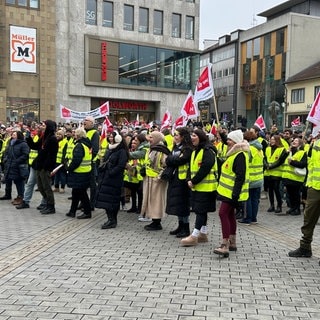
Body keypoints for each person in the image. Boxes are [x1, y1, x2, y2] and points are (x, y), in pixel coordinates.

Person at [214, 129, 250, 257]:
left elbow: (240, 176)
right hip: (228, 191)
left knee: (223, 213)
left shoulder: (240, 155)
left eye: (230, 140)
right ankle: (232, 242)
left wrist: (235, 194)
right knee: (229, 215)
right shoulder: (235, 153)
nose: (227, 142)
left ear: (235, 141)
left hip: (232, 193)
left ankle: (225, 245)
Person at [180, 129, 218, 246]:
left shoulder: (208, 151)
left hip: (207, 187)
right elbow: (191, 168)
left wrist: (194, 180)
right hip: (198, 187)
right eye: (191, 135)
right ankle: (203, 233)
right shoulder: (196, 150)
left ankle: (195, 235)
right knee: (201, 210)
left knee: (200, 211)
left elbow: (205, 168)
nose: (192, 138)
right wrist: (189, 179)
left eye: (194, 135)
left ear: (201, 137)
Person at [288, 132, 320, 258]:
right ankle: (305, 247)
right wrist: (309, 185)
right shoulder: (315, 143)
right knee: (308, 219)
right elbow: (311, 165)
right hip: (314, 187)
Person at [95, 132, 129, 229]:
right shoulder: (109, 149)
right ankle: (110, 219)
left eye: (112, 137)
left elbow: (121, 165)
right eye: (109, 137)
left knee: (112, 200)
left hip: (114, 179)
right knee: (106, 200)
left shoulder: (121, 151)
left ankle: (113, 220)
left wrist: (111, 172)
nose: (110, 138)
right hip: (105, 178)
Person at [26, 120, 58, 214]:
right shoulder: (44, 137)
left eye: (43, 125)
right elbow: (35, 146)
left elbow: (52, 155)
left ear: (48, 126)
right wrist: (29, 138)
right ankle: (46, 203)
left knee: (47, 187)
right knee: (40, 187)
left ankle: (51, 206)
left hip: (46, 167)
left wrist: (47, 167)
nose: (41, 126)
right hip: (39, 166)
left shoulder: (52, 138)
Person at [166, 127, 193, 238]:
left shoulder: (188, 148)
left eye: (177, 135)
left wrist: (170, 159)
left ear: (183, 136)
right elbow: (170, 159)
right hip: (175, 178)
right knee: (177, 204)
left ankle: (186, 228)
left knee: (183, 204)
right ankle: (180, 225)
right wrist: (171, 159)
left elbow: (181, 160)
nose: (174, 137)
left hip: (183, 180)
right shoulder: (176, 147)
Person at [140, 131, 170, 231]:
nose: (149, 139)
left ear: (157, 138)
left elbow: (166, 165)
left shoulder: (162, 150)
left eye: (152, 138)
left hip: (157, 180)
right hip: (149, 178)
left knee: (156, 201)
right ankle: (154, 220)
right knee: (150, 200)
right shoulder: (151, 149)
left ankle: (157, 222)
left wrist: (159, 177)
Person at [65, 127, 92, 219]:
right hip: (84, 172)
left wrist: (69, 168)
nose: (73, 134)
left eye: (75, 133)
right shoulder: (86, 144)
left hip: (79, 172)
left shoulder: (80, 146)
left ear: (78, 135)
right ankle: (72, 211)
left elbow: (77, 160)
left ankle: (87, 212)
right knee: (76, 193)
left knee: (82, 194)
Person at [239, 130, 264, 225]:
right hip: (259, 178)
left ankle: (247, 218)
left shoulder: (249, 149)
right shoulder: (259, 149)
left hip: (250, 179)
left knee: (247, 199)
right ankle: (254, 218)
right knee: (255, 199)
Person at [0, 130, 29, 205]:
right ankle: (7, 194)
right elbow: (6, 152)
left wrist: (17, 161)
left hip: (18, 166)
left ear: (19, 136)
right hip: (9, 165)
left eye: (14, 135)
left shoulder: (23, 144)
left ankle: (20, 197)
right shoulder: (10, 143)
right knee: (8, 179)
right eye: (12, 134)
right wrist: (5, 160)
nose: (12, 136)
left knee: (19, 182)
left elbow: (25, 154)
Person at [282, 137, 307, 216]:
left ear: (300, 143)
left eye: (296, 141)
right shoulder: (289, 151)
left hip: (296, 178)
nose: (294, 142)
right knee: (290, 194)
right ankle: (292, 208)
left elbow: (303, 164)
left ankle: (297, 209)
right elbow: (281, 160)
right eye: (293, 140)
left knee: (296, 194)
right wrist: (286, 152)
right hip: (288, 177)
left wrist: (292, 162)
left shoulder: (302, 153)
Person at [264, 135, 287, 213]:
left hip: (276, 173)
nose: (271, 141)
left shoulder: (282, 149)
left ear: (277, 140)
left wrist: (271, 166)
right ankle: (272, 205)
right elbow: (264, 158)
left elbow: (280, 161)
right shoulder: (267, 149)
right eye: (271, 139)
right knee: (270, 190)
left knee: (276, 189)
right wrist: (266, 165)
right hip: (268, 173)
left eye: (273, 139)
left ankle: (279, 205)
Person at [83, 116, 100, 210]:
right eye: (84, 120)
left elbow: (95, 149)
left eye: (87, 121)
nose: (84, 122)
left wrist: (89, 158)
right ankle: (84, 202)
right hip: (84, 163)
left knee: (92, 184)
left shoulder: (95, 133)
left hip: (91, 163)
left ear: (92, 123)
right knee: (83, 184)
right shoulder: (84, 131)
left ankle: (92, 204)